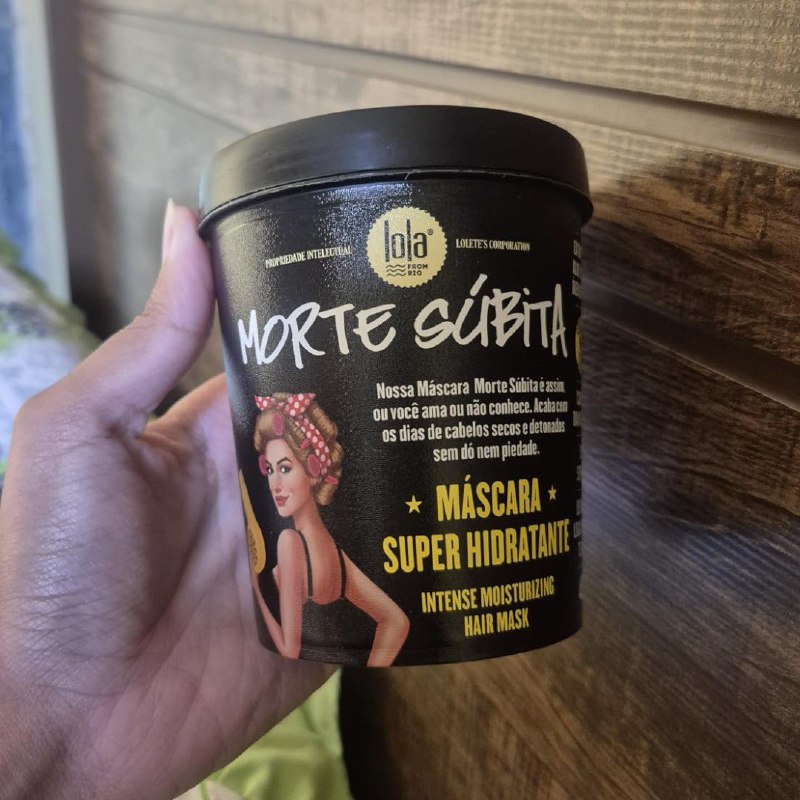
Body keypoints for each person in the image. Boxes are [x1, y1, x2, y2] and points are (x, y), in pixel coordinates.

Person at [0, 202, 332, 799]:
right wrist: (51, 723)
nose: (276, 479)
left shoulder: (298, 543)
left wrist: (55, 728)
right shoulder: (286, 545)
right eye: (271, 467)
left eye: (285, 466)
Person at [247, 393, 409, 667]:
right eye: (270, 470)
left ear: (313, 472)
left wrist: (257, 590)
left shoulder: (290, 542)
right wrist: (373, 667)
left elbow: (290, 648)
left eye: (285, 469)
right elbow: (396, 621)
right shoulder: (336, 556)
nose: (275, 485)